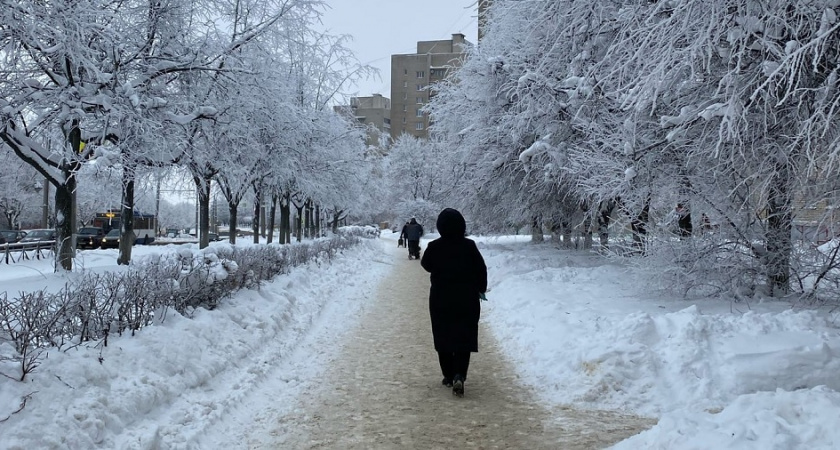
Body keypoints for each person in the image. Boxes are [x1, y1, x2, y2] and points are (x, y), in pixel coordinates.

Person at [420, 208, 487, 397]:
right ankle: (460, 374)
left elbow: (426, 265)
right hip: (467, 298)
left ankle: (448, 375)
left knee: (443, 335)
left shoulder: (434, 246)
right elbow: (481, 269)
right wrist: (481, 289)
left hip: (441, 298)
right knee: (464, 336)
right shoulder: (469, 246)